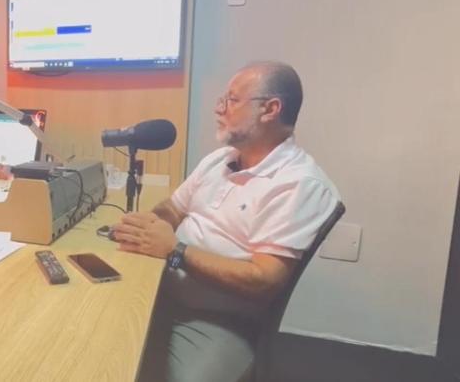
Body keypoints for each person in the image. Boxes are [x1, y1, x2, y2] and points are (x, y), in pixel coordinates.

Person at [113, 61, 340, 381]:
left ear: (270, 109)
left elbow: (263, 280)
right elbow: (173, 208)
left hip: (219, 320)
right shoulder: (220, 159)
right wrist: (149, 225)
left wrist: (175, 250)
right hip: (159, 292)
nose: (219, 109)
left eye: (232, 100)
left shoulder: (299, 184)